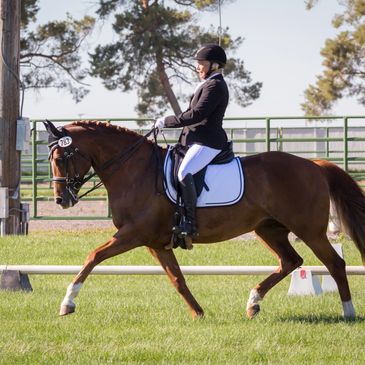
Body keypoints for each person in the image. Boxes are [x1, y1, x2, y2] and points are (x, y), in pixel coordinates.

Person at [154, 43, 229, 240]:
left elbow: (197, 115)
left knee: (184, 171)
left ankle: (190, 223)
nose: (197, 67)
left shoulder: (215, 86)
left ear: (214, 65)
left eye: (201, 63)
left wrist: (167, 121)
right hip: (194, 141)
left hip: (208, 142)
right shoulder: (207, 84)